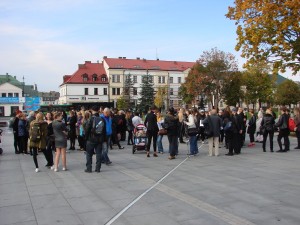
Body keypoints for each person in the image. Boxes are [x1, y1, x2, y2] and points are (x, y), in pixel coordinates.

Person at [84, 106, 106, 173]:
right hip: (99, 139)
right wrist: (104, 139)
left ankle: (89, 168)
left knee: (89, 154)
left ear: (92, 110)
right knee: (98, 154)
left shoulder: (90, 119)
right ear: (98, 111)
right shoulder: (102, 119)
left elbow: (87, 130)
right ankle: (98, 168)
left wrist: (86, 138)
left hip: (91, 139)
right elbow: (104, 131)